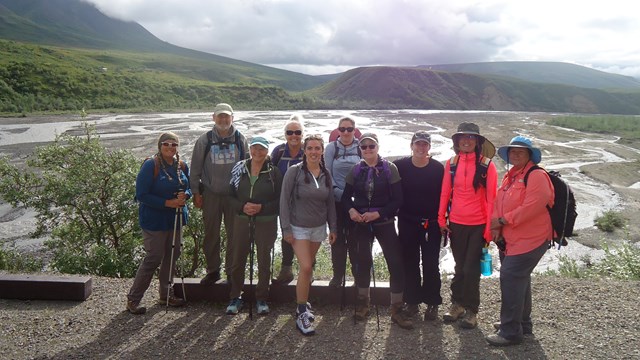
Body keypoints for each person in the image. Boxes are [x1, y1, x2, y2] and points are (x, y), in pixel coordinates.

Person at [486, 136, 554, 346]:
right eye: (513, 152)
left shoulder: (537, 175)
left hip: (532, 238)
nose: (515, 154)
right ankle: (522, 324)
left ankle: (510, 332)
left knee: (511, 276)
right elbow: (499, 201)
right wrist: (496, 227)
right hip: (512, 238)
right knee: (520, 278)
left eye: (521, 152)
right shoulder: (511, 175)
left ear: (529, 155)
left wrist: (505, 220)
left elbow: (535, 204)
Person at [341, 132, 413, 330]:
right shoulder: (355, 170)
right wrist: (352, 210)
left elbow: (398, 199)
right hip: (362, 223)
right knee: (362, 262)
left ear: (378, 147)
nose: (367, 150)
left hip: (385, 222)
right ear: (360, 150)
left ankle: (396, 309)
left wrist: (378, 214)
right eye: (363, 147)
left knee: (396, 263)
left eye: (371, 146)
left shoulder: (390, 169)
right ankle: (363, 304)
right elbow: (346, 197)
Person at [437, 122, 497, 329]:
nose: (466, 140)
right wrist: (441, 218)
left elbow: (492, 199)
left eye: (471, 137)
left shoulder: (487, 165)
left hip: (478, 224)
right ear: (456, 141)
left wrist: (489, 229)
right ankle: (458, 304)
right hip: (456, 223)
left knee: (471, 268)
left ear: (478, 142)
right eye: (462, 137)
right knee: (459, 266)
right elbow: (445, 192)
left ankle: (472, 310)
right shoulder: (451, 164)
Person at [126, 132, 191, 314]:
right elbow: (141, 195)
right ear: (159, 146)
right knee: (153, 258)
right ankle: (133, 299)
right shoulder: (150, 165)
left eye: (174, 144)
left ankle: (166, 294)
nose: (170, 147)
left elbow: (191, 186)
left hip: (176, 218)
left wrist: (186, 195)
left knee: (172, 256)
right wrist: (167, 203)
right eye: (166, 144)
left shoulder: (181, 165)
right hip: (155, 220)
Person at [280, 134, 337, 335]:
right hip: (298, 227)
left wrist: (333, 228)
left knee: (308, 268)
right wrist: (285, 229)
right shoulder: (294, 172)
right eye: (310, 148)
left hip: (318, 227)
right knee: (305, 267)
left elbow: (330, 203)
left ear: (322, 151)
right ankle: (302, 312)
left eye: (317, 148)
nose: (314, 152)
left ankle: (303, 303)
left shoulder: (326, 174)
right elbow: (284, 201)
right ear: (305, 151)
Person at [190, 103, 249, 285]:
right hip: (211, 194)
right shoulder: (204, 140)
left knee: (235, 235)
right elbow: (195, 168)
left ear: (233, 117)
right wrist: (195, 192)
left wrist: (246, 194)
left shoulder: (240, 139)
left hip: (234, 195)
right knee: (211, 234)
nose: (223, 120)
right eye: (220, 116)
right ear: (213, 118)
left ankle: (232, 272)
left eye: (226, 116)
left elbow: (248, 167)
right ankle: (213, 271)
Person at [226, 136, 282, 315]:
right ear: (250, 149)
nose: (258, 152)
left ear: (267, 151)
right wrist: (242, 206)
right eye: (255, 148)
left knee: (264, 260)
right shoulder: (239, 168)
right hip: (241, 220)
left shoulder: (274, 172)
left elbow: (280, 200)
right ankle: (236, 297)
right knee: (237, 259)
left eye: (262, 149)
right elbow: (229, 196)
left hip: (266, 221)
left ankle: (262, 298)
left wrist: (262, 208)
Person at [393, 131, 444, 321]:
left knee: (431, 263)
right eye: (418, 144)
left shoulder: (438, 169)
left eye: (425, 144)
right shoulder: (399, 166)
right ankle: (412, 302)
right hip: (407, 221)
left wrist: (443, 220)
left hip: (431, 224)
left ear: (429, 147)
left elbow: (446, 195)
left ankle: (433, 303)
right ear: (411, 145)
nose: (421, 148)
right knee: (410, 263)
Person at [324, 116, 361, 288]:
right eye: (343, 129)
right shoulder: (331, 148)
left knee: (355, 241)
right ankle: (338, 276)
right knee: (337, 239)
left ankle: (358, 276)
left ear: (354, 130)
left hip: (357, 203)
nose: (346, 132)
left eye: (349, 129)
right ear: (338, 131)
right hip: (337, 202)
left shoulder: (362, 147)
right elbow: (327, 173)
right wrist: (340, 194)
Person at [271, 115, 305, 284]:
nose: (294, 135)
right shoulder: (278, 151)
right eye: (290, 132)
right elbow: (269, 174)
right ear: (285, 134)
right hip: (283, 201)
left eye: (297, 132)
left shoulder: (308, 150)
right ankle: (287, 270)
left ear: (302, 134)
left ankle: (307, 271)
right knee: (287, 234)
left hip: (305, 202)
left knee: (305, 236)